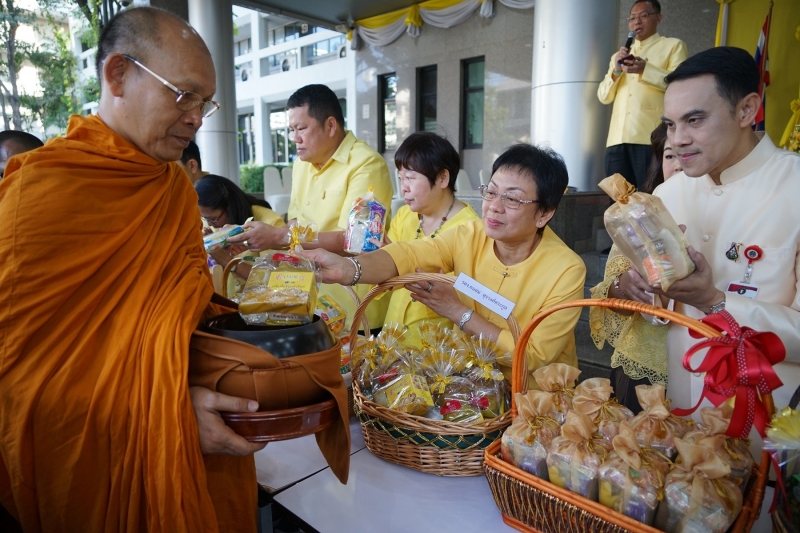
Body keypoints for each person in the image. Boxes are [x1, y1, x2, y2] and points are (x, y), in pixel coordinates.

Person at [0, 7, 264, 533]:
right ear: (118, 74)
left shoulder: (173, 192)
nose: (196, 117)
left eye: (205, 102)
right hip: (91, 465)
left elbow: (179, 321)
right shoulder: (39, 192)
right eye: (184, 94)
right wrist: (167, 415)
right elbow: (19, 380)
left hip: (197, 452)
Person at [616, 47, 800, 434]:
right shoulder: (668, 194)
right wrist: (644, 290)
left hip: (772, 424)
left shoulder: (793, 186)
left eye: (695, 120)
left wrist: (715, 302)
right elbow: (661, 309)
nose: (679, 139)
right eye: (670, 125)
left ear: (747, 110)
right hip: (682, 413)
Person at [301, 143, 586, 386]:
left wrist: (457, 311)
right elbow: (409, 254)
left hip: (532, 403)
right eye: (491, 192)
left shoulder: (566, 270)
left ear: (544, 213)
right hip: (469, 387)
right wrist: (349, 269)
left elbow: (531, 355)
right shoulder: (471, 235)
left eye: (511, 198)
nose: (494, 206)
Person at [227, 84, 394, 329]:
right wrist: (258, 239)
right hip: (307, 300)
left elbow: (355, 242)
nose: (294, 138)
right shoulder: (301, 164)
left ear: (330, 125)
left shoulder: (366, 164)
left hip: (353, 307)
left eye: (301, 128)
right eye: (292, 130)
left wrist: (277, 236)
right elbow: (296, 225)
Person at [590, 121, 682, 413]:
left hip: (709, 367)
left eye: (687, 153)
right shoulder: (639, 215)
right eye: (670, 155)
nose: (679, 164)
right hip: (642, 367)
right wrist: (625, 286)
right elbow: (609, 292)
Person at [376, 132, 480, 345]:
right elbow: (385, 280)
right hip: (391, 341)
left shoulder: (471, 230)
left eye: (410, 178)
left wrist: (398, 263)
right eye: (401, 178)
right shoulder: (405, 216)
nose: (403, 187)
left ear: (442, 178)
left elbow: (471, 301)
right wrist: (379, 258)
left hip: (435, 352)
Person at [597, 0, 688, 189]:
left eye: (643, 16)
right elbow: (604, 96)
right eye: (632, 18)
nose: (636, 21)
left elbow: (680, 84)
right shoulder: (618, 57)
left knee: (651, 193)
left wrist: (645, 70)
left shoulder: (672, 46)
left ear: (658, 18)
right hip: (617, 139)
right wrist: (616, 70)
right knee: (618, 198)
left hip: (650, 135)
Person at [196, 174, 284, 295]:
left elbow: (278, 280)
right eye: (205, 219)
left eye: (213, 219)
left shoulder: (270, 223)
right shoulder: (212, 225)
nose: (211, 225)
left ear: (229, 207)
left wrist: (228, 261)